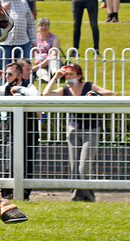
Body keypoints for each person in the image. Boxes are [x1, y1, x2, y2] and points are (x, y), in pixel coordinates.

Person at [42, 62, 114, 202]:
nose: (68, 76)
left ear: (79, 76)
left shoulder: (88, 85)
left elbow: (110, 93)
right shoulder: (65, 89)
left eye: (71, 74)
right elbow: (46, 94)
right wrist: (55, 77)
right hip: (74, 129)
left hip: (91, 129)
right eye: (66, 74)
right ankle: (76, 197)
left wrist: (94, 94)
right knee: (74, 166)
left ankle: (89, 197)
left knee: (84, 166)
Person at [0, 62, 39, 200]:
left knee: (27, 161)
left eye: (9, 74)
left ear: (19, 76)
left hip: (28, 129)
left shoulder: (29, 86)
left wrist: (19, 89)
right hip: (10, 130)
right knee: (9, 161)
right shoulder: (5, 87)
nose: (7, 77)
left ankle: (25, 194)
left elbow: (36, 97)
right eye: (6, 74)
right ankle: (7, 193)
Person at [0, 0, 36, 70]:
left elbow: (30, 21)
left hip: (23, 41)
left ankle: (25, 85)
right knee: (5, 71)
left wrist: (33, 40)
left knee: (24, 70)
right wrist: (2, 10)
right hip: (4, 42)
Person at [32, 18, 61, 83]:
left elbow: (54, 53)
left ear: (49, 27)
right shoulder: (35, 38)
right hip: (40, 64)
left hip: (52, 62)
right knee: (40, 71)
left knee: (53, 58)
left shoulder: (54, 38)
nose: (44, 27)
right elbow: (32, 53)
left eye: (46, 25)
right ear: (38, 28)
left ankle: (55, 74)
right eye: (41, 25)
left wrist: (38, 66)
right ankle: (46, 79)